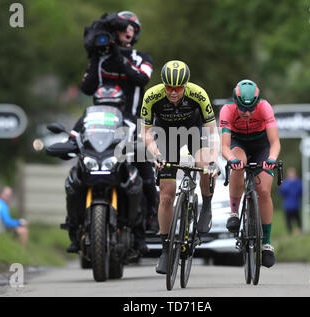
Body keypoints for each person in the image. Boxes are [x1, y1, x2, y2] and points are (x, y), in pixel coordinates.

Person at [64, 11, 157, 255]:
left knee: (144, 167)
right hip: (101, 121)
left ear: (135, 32)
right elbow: (86, 87)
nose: (124, 32)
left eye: (129, 28)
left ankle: (147, 224)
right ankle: (75, 225)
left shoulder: (141, 57)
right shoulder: (101, 58)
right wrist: (97, 59)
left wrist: (117, 56)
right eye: (119, 28)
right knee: (81, 164)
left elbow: (140, 79)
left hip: (133, 120)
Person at [140, 60, 219, 274]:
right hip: (166, 139)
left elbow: (212, 130)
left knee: (205, 165)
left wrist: (213, 157)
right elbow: (145, 132)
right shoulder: (152, 96)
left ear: (186, 85)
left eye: (178, 88)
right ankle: (166, 250)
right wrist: (155, 153)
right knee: (166, 195)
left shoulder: (198, 94)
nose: (173, 92)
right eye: (169, 87)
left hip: (194, 135)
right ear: (163, 84)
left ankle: (207, 206)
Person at [219, 79, 281, 268]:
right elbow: (225, 146)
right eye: (243, 109)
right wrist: (231, 159)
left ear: (257, 104)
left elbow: (275, 143)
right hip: (239, 144)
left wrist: (271, 159)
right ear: (235, 103)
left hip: (262, 145)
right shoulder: (227, 110)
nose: (247, 113)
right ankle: (235, 212)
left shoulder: (265, 108)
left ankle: (267, 243)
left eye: (251, 109)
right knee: (239, 163)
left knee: (263, 191)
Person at [278, 167, 302, 234]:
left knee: (298, 219)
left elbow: (301, 191)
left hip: (296, 205)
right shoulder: (285, 183)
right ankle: (290, 232)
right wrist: (289, 183)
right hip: (287, 205)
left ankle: (300, 230)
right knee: (288, 220)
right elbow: (281, 192)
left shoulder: (298, 182)